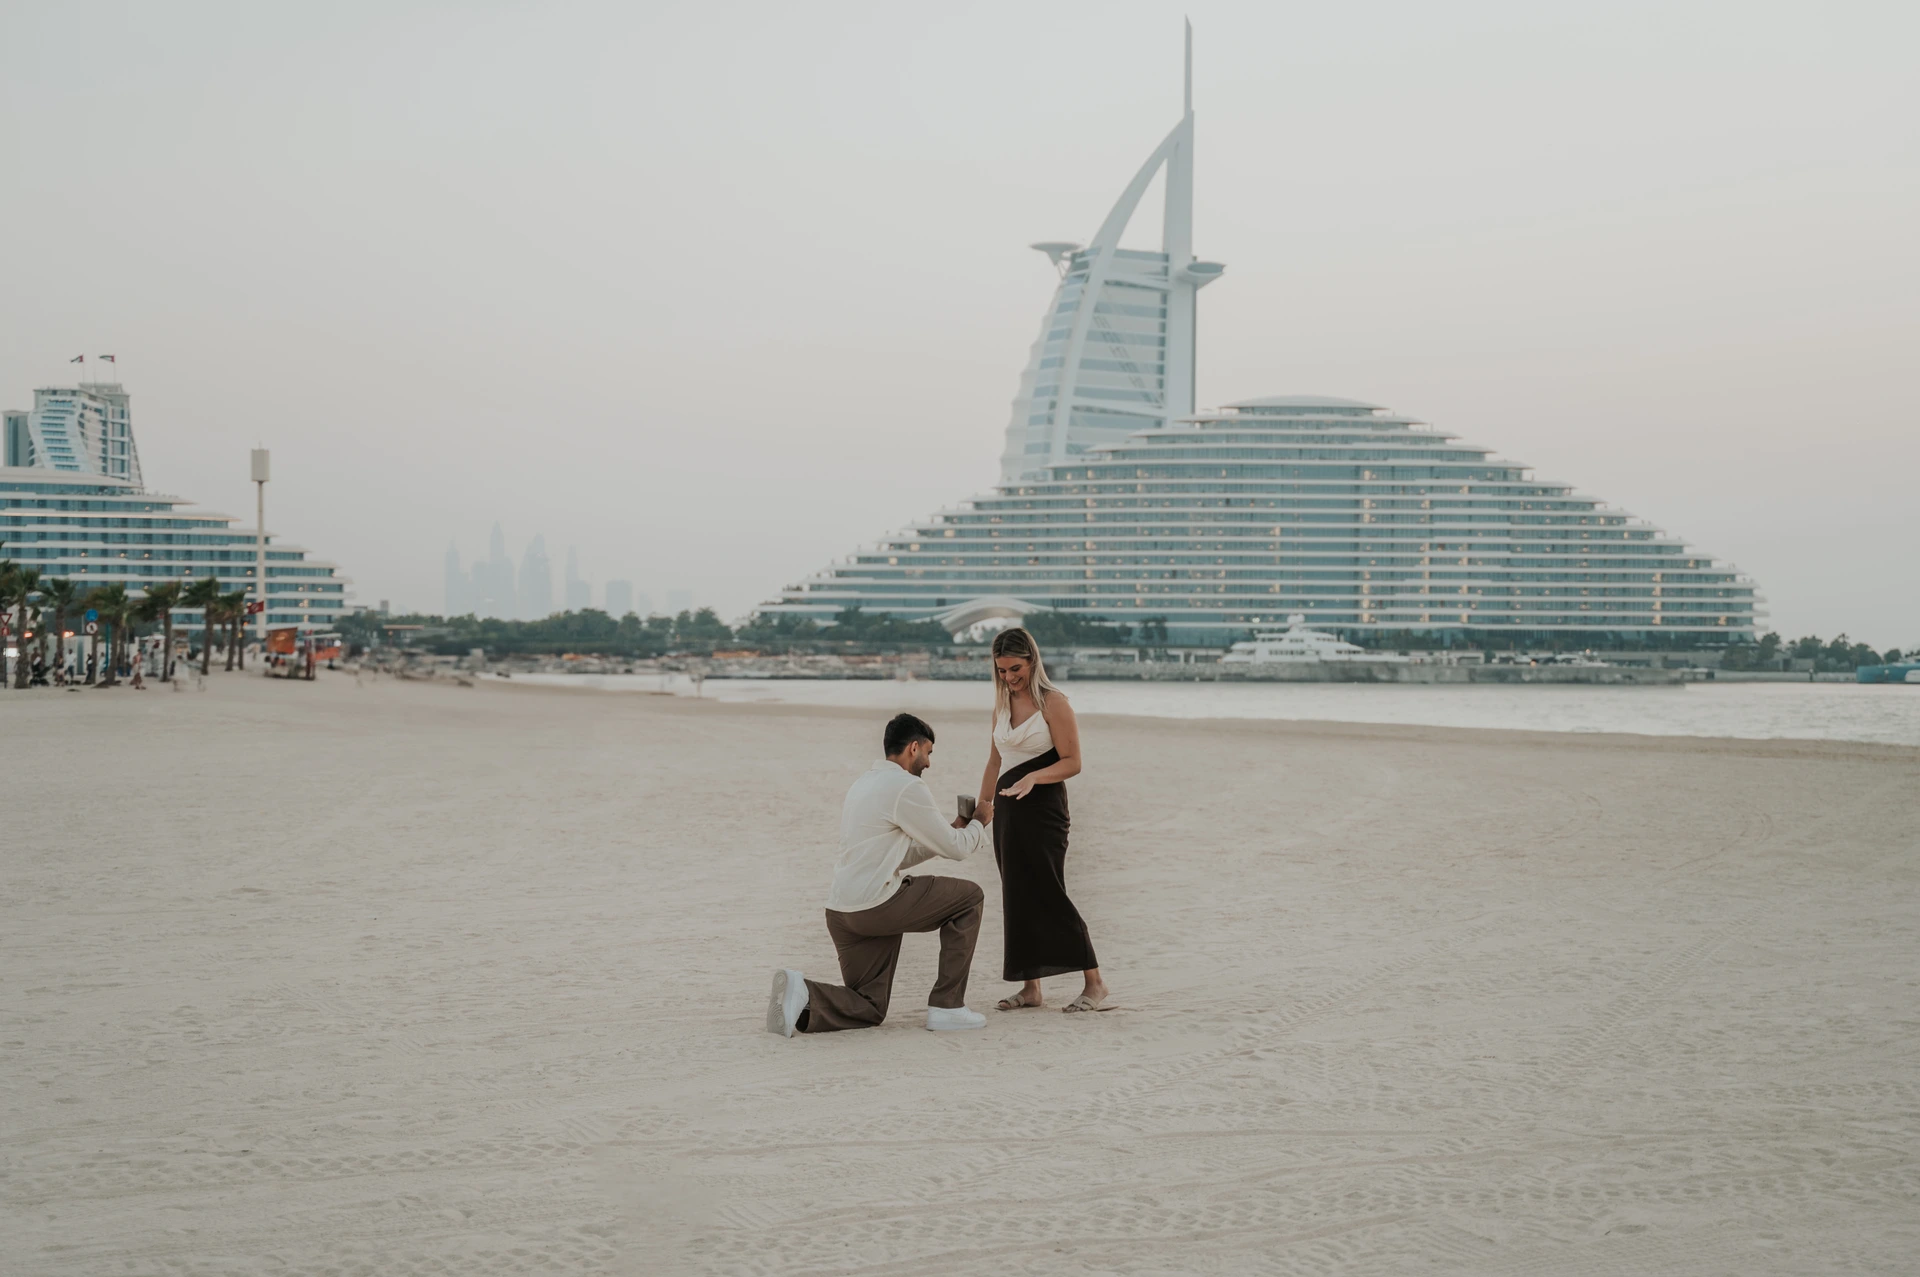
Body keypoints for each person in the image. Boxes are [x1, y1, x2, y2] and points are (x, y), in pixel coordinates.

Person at [768, 713, 993, 1036]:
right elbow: (957, 850)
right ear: (913, 748)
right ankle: (948, 1007)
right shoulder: (907, 786)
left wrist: (952, 829)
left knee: (870, 1006)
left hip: (842, 912)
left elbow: (900, 854)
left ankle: (803, 994)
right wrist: (978, 822)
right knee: (970, 897)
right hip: (876, 906)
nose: (928, 762)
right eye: (928, 753)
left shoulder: (864, 783)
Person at [977, 627, 1109, 1014]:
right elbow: (994, 761)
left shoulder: (1055, 703)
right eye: (1002, 670)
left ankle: (1095, 982)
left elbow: (1073, 762)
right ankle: (1031, 987)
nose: (1009, 677)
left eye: (1015, 668)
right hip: (1008, 814)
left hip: (1044, 812)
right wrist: (981, 810)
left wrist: (1035, 776)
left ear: (1032, 660)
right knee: (1016, 896)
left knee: (1050, 893)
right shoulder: (1001, 705)